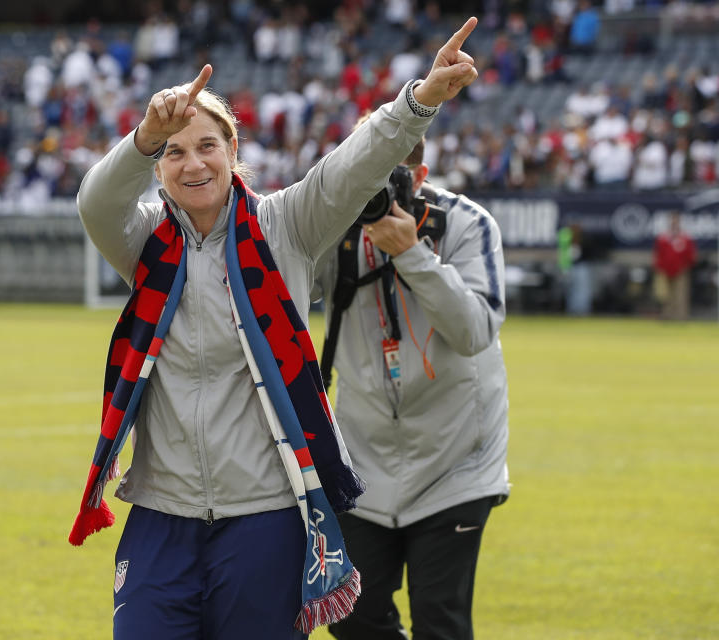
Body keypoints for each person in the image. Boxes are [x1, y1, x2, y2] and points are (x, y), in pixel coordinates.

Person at [69, 17, 481, 640]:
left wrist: (419, 99)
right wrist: (142, 137)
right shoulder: (144, 239)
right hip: (160, 512)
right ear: (157, 170)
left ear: (233, 152)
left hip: (265, 516)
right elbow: (95, 203)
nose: (192, 163)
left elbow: (355, 165)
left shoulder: (286, 224)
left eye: (207, 145)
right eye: (174, 152)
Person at [316, 137, 510, 640]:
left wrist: (411, 253)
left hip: (456, 461)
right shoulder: (332, 230)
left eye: (389, 179)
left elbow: (474, 331)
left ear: (419, 176)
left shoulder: (466, 223)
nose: (373, 195)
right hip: (363, 461)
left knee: (439, 621)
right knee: (352, 616)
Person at [653, 212, 697, 321]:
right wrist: (659, 267)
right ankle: (667, 316)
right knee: (665, 295)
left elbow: (690, 255)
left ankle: (681, 317)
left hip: (680, 270)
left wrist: (685, 267)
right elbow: (658, 254)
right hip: (665, 270)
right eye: (672, 220)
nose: (674, 222)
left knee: (680, 295)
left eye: (676, 220)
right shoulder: (663, 237)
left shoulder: (685, 237)